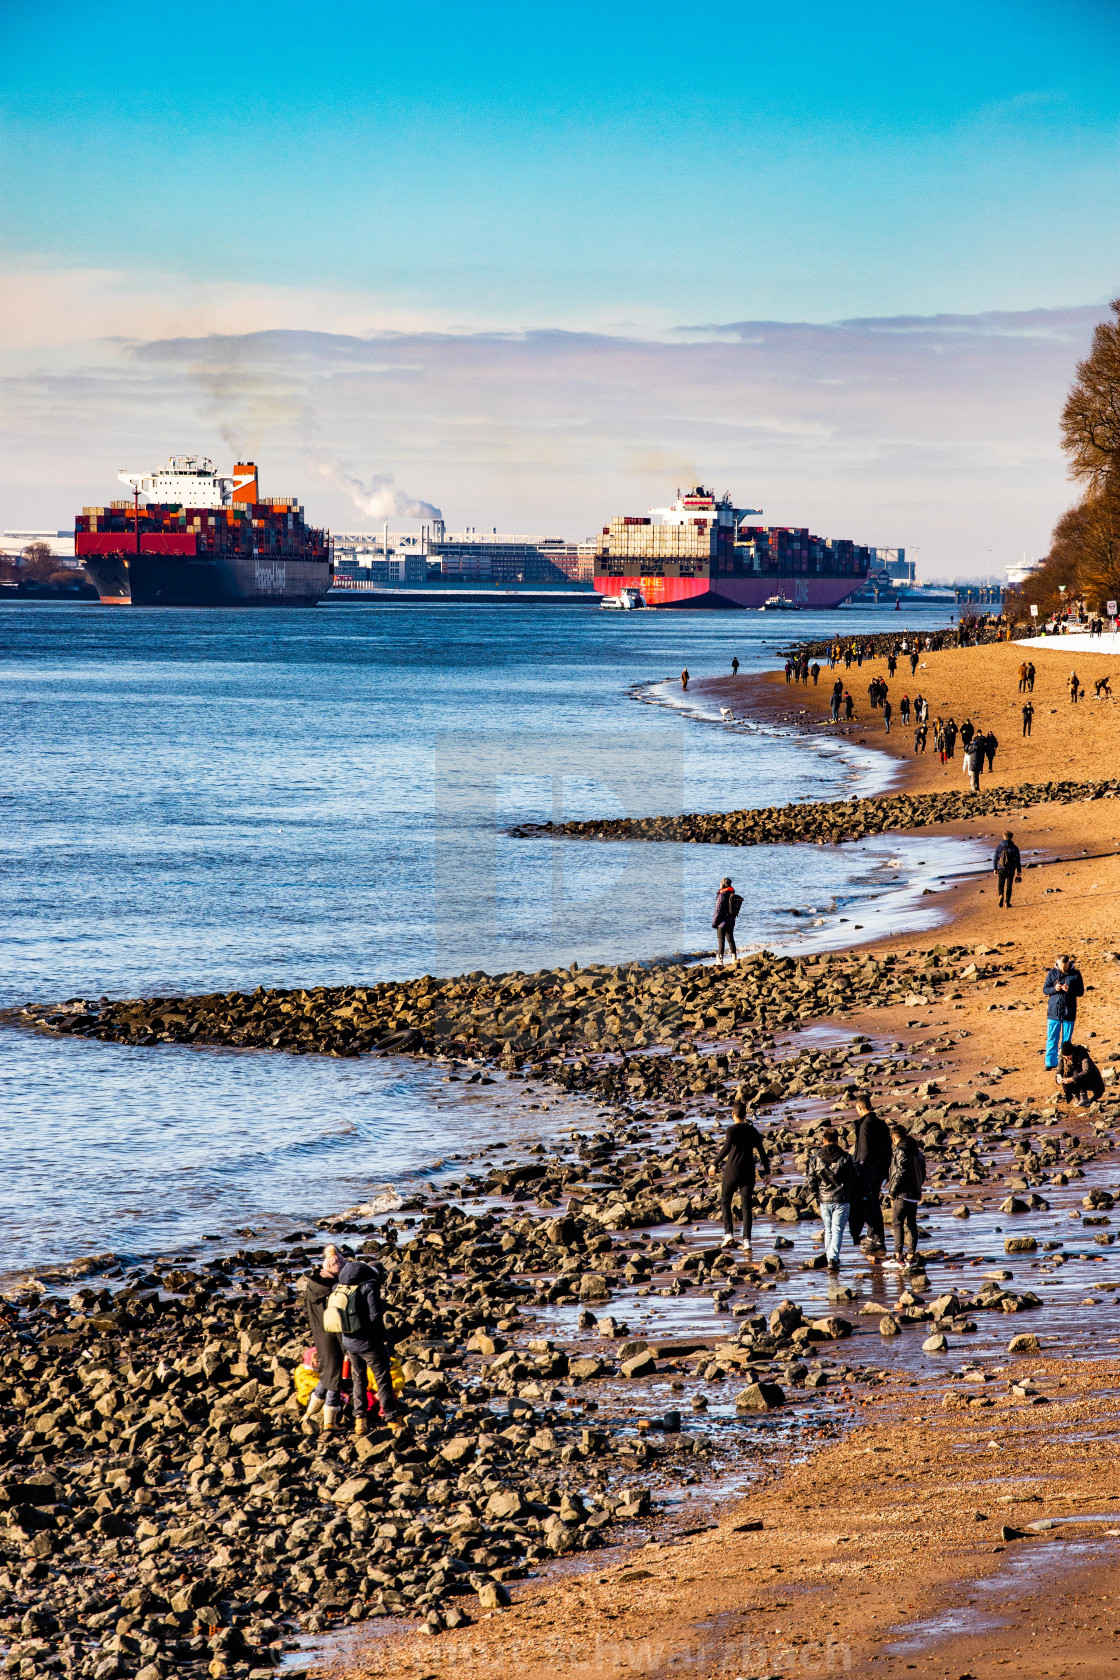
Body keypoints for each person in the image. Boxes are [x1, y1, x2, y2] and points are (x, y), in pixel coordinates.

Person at [335, 1254, 401, 1433]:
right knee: (383, 1380)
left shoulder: (340, 1286)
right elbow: (374, 1316)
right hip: (369, 1343)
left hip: (349, 1341)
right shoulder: (369, 1286)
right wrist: (380, 1338)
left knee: (358, 1379)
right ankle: (391, 1419)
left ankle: (360, 1421)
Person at [715, 1102, 771, 1250]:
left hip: (732, 1172)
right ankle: (747, 1240)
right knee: (746, 1207)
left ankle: (729, 1234)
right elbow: (762, 1152)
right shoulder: (753, 1131)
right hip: (748, 1173)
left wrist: (714, 1163)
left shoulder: (731, 1130)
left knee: (725, 1200)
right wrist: (767, 1171)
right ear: (746, 1115)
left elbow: (726, 1148)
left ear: (733, 1115)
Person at [302, 1245, 346, 1432]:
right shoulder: (333, 1291)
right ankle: (330, 1421)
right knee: (335, 1376)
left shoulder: (312, 1286)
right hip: (333, 1336)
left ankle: (309, 1413)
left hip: (319, 1334)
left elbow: (306, 1313)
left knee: (326, 1373)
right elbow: (337, 1320)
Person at [805, 1126, 858, 1275]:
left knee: (828, 1230)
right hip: (841, 1198)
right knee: (837, 1230)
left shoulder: (815, 1158)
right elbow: (853, 1177)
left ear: (823, 1140)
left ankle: (830, 1256)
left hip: (824, 1199)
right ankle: (833, 1259)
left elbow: (811, 1180)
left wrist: (816, 1195)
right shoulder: (846, 1157)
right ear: (837, 1140)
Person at [848, 1093, 891, 1254]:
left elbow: (864, 1150)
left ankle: (876, 1238)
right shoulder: (881, 1124)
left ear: (860, 1107)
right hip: (879, 1170)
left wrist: (859, 1167)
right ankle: (874, 1236)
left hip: (868, 1171)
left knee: (869, 1204)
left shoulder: (865, 1124)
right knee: (872, 1203)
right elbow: (887, 1149)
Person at [886, 1123, 925, 1270]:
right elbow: (922, 1173)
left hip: (902, 1194)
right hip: (914, 1194)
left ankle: (898, 1256)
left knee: (897, 1224)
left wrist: (892, 1192)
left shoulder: (901, 1150)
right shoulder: (917, 1151)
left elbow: (900, 1172)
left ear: (894, 1138)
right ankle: (911, 1254)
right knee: (911, 1224)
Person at [1044, 953, 1084, 1069]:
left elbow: (1081, 991)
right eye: (1061, 966)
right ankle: (1050, 1063)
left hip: (1069, 1011)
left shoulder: (1076, 974)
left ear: (1069, 963)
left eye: (1065, 966)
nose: (1063, 969)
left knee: (1066, 1040)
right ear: (1057, 963)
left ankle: (1064, 1062)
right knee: (1052, 1037)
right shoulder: (1052, 973)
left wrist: (1069, 989)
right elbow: (1045, 989)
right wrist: (1054, 989)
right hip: (1053, 1011)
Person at [712, 876, 740, 963]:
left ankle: (720, 960)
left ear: (723, 885)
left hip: (722, 922)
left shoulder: (722, 895)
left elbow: (718, 910)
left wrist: (714, 922)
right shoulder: (733, 894)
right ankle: (734, 958)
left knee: (721, 941)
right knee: (731, 939)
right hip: (731, 921)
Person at [993, 830, 1022, 907]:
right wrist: (1019, 872)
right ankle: (1007, 902)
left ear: (1003, 837)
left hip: (1001, 868)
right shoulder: (1014, 847)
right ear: (1011, 837)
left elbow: (995, 859)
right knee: (1009, 886)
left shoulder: (999, 847)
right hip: (1011, 869)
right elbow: (1017, 861)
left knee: (1000, 884)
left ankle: (1000, 895)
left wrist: (995, 869)